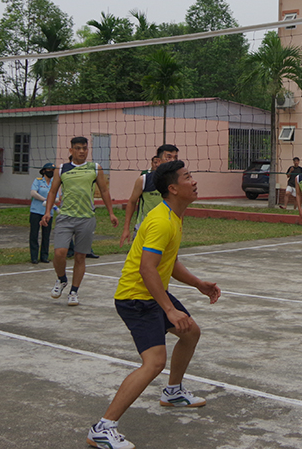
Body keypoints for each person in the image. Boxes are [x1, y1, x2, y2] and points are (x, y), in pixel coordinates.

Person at [87, 160, 220, 449]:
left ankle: (173, 392)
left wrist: (198, 283)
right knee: (154, 362)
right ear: (173, 188)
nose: (194, 181)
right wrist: (169, 309)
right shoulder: (161, 220)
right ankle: (103, 427)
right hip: (136, 298)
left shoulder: (174, 215)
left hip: (150, 294)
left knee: (191, 332)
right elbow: (148, 269)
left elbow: (166, 263)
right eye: (188, 177)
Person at [41, 136, 118, 307]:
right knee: (59, 253)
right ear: (71, 150)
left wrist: (111, 213)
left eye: (84, 148)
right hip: (65, 217)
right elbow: (53, 191)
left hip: (86, 218)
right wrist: (47, 212)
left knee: (80, 256)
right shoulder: (62, 169)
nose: (82, 151)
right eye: (78, 148)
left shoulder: (95, 168)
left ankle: (74, 292)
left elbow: (104, 191)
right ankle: (62, 280)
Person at [120, 144, 180, 247]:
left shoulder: (179, 182)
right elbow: (132, 202)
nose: (173, 161)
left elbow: (179, 208)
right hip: (144, 229)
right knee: (140, 262)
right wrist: (126, 229)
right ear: (159, 161)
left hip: (167, 230)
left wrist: (179, 229)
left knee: (166, 262)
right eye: (169, 157)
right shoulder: (144, 180)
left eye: (175, 158)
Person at [29, 163, 57, 264]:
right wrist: (44, 199)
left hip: (48, 212)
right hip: (36, 211)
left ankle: (44, 256)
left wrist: (51, 201)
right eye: (49, 169)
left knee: (46, 235)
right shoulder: (38, 180)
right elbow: (33, 193)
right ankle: (34, 257)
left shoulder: (54, 182)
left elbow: (57, 197)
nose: (51, 172)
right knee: (34, 234)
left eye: (53, 170)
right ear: (44, 170)